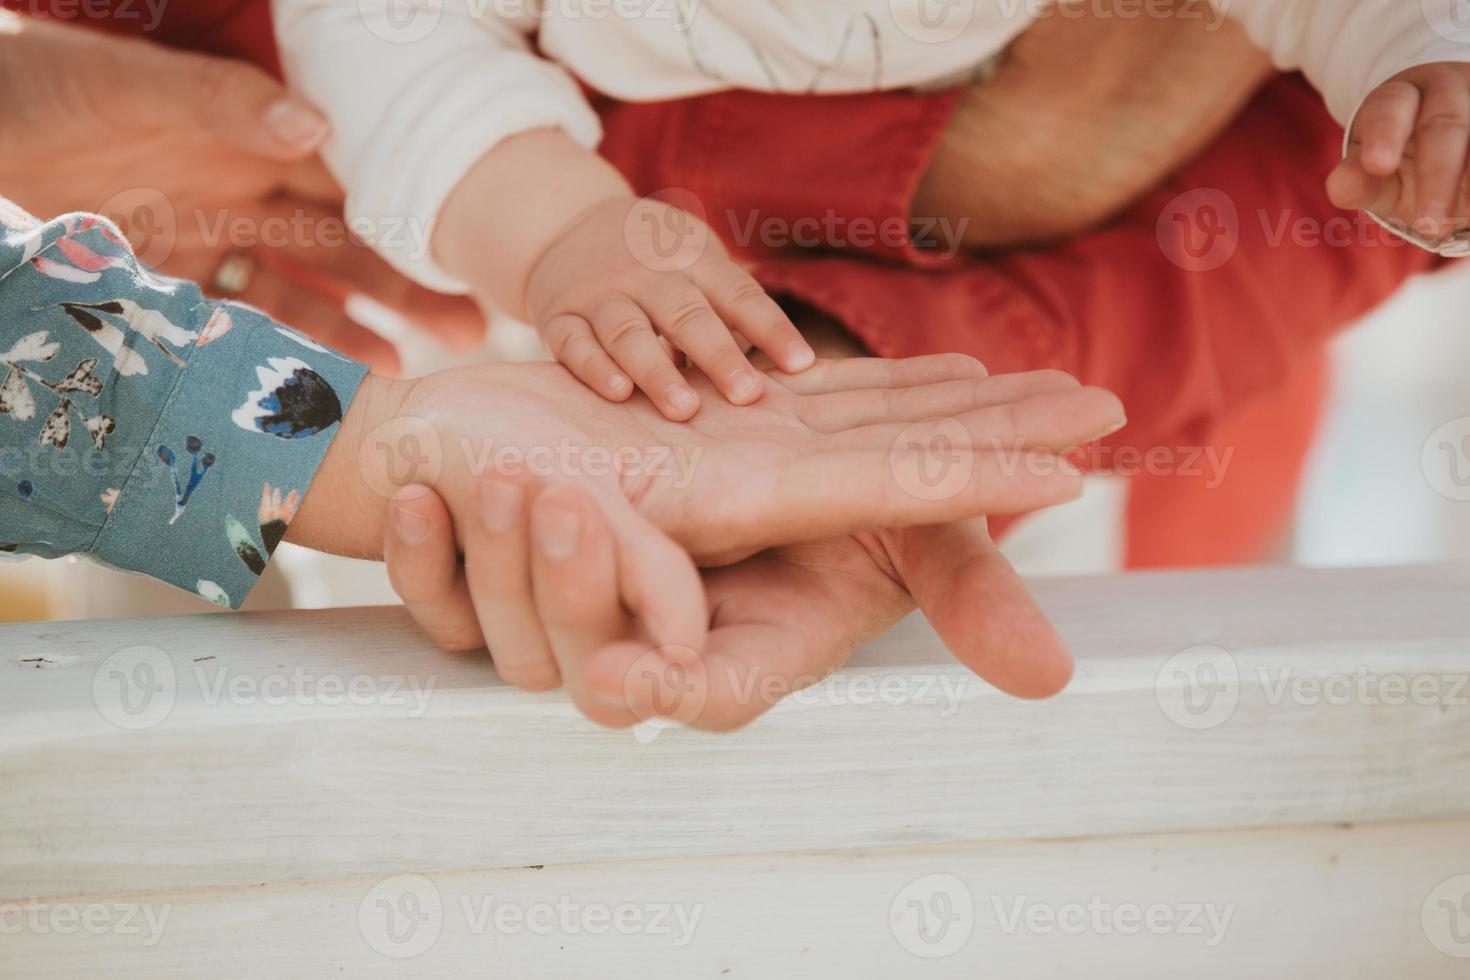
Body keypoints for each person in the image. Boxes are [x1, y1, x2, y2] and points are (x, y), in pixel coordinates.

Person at [275, 0, 1468, 418]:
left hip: (1016, 357)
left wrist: (1421, 61)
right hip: (541, 258)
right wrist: (556, 236)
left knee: (1025, 575)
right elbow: (391, 33)